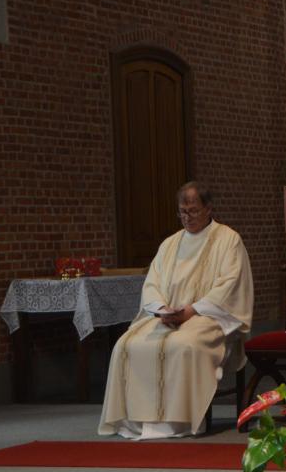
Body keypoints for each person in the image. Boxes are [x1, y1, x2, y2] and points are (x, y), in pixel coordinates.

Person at [98, 181, 254, 439]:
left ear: (208, 208)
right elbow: (153, 283)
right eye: (182, 211)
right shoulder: (170, 244)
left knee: (184, 345)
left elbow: (230, 285)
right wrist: (162, 309)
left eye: (193, 211)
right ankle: (137, 419)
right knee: (126, 345)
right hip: (169, 316)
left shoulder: (228, 240)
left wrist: (191, 310)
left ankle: (179, 420)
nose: (187, 217)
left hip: (207, 316)